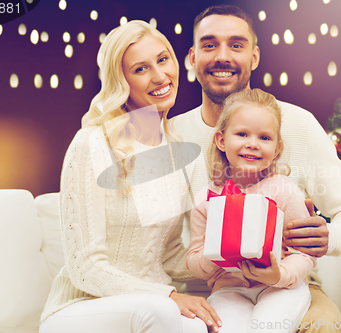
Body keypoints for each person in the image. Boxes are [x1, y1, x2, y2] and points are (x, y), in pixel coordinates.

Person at [173, 4, 341, 332]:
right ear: (193, 57)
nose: (223, 56)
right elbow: (152, 242)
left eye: (236, 45)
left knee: (321, 328)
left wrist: (328, 237)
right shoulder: (171, 138)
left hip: (289, 282)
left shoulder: (298, 124)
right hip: (207, 289)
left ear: (254, 57)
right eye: (209, 45)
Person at [39, 20, 221, 333]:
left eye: (163, 60)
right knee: (161, 311)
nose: (160, 76)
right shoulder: (92, 144)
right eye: (141, 69)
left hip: (150, 305)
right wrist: (168, 295)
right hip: (80, 308)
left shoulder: (181, 155)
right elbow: (85, 268)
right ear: (120, 81)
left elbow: (171, 256)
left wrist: (233, 263)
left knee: (202, 324)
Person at [187, 88, 316, 333]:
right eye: (242, 134)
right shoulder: (207, 199)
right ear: (222, 140)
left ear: (277, 149)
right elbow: (193, 259)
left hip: (280, 287)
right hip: (229, 289)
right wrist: (215, 252)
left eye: (265, 138)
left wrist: (279, 275)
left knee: (267, 327)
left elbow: (304, 254)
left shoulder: (284, 190)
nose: (253, 144)